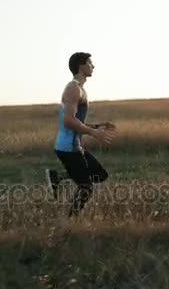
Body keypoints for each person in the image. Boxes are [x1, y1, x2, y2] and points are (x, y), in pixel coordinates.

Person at [45, 52, 117, 217]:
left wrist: (97, 126)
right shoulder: (73, 88)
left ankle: (58, 176)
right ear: (81, 65)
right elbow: (68, 121)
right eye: (90, 62)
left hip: (74, 146)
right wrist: (92, 132)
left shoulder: (79, 89)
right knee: (86, 187)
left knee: (100, 175)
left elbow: (75, 122)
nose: (93, 66)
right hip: (68, 148)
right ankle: (71, 221)